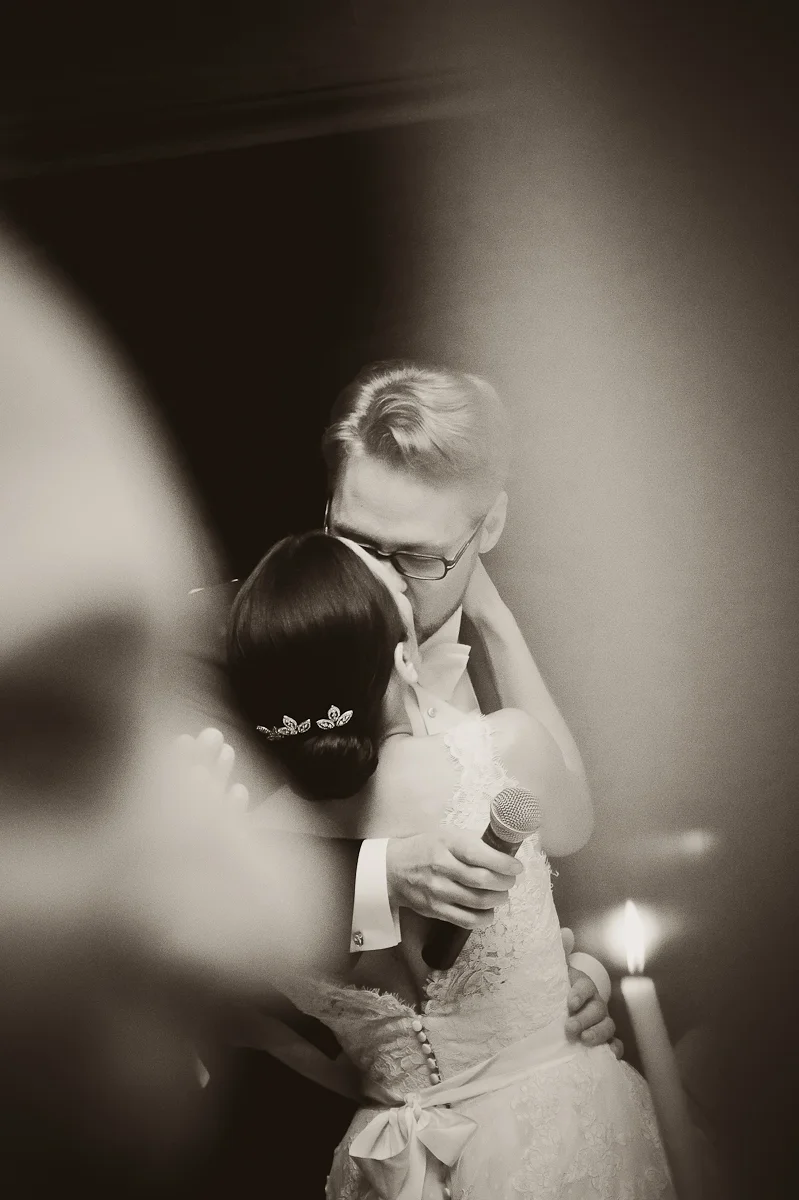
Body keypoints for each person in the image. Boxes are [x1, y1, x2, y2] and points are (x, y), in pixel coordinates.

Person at [227, 529, 674, 1198]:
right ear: (404, 659)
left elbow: (243, 1018)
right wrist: (493, 614)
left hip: (389, 1164)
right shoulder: (504, 751)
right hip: (559, 1132)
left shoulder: (244, 858)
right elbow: (575, 823)